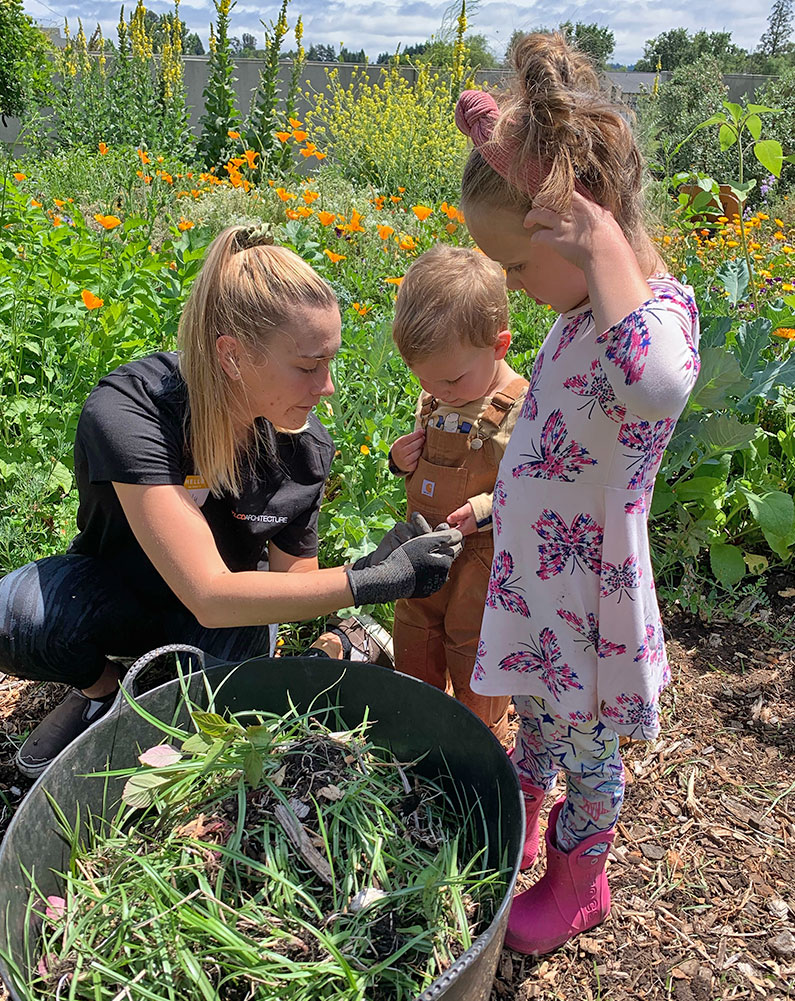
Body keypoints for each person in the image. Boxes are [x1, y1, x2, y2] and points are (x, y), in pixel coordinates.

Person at [0, 225, 462, 779]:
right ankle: (103, 692)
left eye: (330, 362)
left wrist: (363, 569)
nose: (329, 386)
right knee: (16, 621)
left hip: (228, 620)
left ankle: (330, 650)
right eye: (309, 365)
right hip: (120, 588)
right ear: (232, 356)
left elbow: (293, 580)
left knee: (221, 729)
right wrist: (369, 582)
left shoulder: (304, 449)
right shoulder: (135, 410)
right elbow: (206, 591)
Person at [454, 32, 701, 956]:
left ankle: (576, 880)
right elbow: (549, 442)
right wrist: (490, 506)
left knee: (588, 750)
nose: (511, 286)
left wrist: (603, 251)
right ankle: (517, 827)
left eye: (516, 264)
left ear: (582, 228)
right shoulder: (575, 314)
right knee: (539, 728)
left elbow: (658, 387)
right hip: (542, 585)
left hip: (587, 598)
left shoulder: (648, 318)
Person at [387, 245, 528, 739]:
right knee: (416, 624)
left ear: (499, 346)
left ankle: (477, 732)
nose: (437, 389)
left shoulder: (518, 408)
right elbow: (424, 465)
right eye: (423, 378)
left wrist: (485, 508)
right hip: (424, 544)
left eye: (449, 378)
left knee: (474, 641)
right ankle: (417, 716)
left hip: (482, 556)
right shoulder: (438, 396)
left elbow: (531, 488)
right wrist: (401, 458)